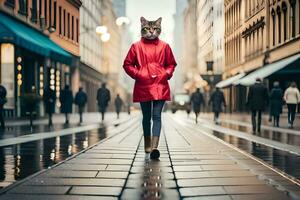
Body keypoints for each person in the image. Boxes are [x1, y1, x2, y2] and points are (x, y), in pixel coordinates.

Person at [123, 17, 176, 160]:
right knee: (146, 116)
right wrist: (139, 74)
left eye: (155, 29)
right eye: (148, 29)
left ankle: (154, 147)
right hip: (143, 84)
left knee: (157, 116)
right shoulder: (136, 46)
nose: (152, 32)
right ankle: (147, 143)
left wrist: (166, 74)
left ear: (159, 29)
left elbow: (171, 64)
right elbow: (127, 64)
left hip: (160, 84)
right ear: (142, 28)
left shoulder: (165, 46)